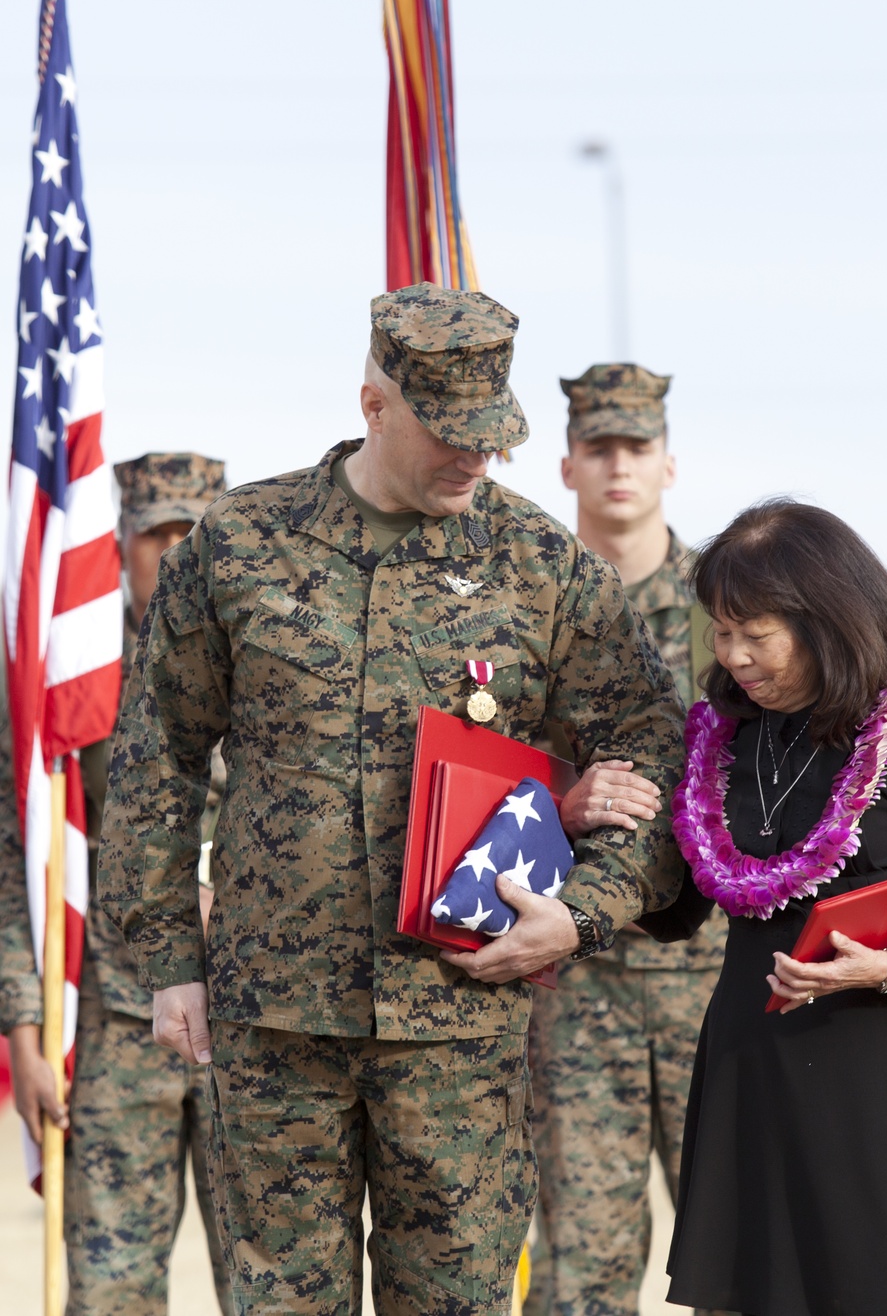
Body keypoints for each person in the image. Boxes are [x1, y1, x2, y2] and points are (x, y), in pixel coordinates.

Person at [97, 283, 687, 1316]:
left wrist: (582, 917)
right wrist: (164, 964)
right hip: (271, 1023)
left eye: (492, 436)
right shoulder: (238, 547)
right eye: (449, 434)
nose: (476, 459)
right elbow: (158, 757)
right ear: (373, 404)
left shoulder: (542, 564)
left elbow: (657, 755)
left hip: (463, 1024)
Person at [662, 498, 887, 1316]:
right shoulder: (721, 742)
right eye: (721, 631)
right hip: (752, 1065)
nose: (734, 655)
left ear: (825, 622)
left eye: (757, 633)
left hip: (880, 1075)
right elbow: (678, 906)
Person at [0, 452, 232, 1316]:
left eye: (193, 533)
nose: (175, 553)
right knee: (109, 1291)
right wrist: (24, 1025)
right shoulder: (78, 679)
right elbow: (19, 851)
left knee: (270, 1287)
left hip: (254, 1020)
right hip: (112, 1022)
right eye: (156, 533)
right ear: (122, 543)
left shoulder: (278, 656)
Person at [526, 364, 728, 1316]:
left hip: (718, 973)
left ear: (669, 463)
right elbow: (470, 763)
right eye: (599, 447)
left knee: (742, 1242)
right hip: (577, 981)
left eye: (636, 447)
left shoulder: (729, 604)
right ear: (567, 463)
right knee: (581, 1264)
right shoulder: (526, 602)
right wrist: (559, 796)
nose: (618, 466)